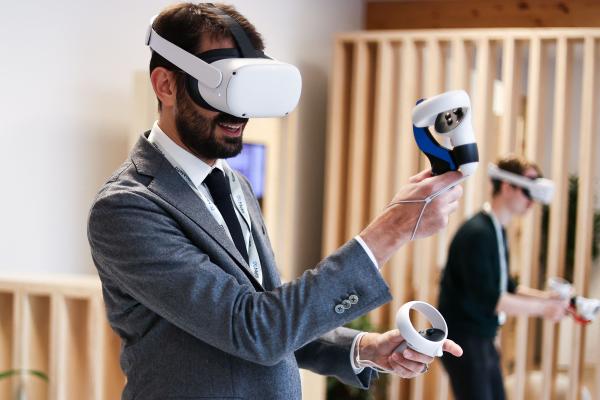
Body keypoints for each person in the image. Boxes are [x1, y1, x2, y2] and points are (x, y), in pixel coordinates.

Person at [87, 3, 463, 399]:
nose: (239, 112)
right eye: (223, 87)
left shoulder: (234, 185)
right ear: (165, 85)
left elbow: (271, 315)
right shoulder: (128, 208)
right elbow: (251, 328)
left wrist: (361, 348)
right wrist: (395, 226)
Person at [438, 155, 569, 400]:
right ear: (507, 187)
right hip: (464, 340)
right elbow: (493, 299)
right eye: (528, 190)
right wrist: (543, 309)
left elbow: (507, 287)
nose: (532, 201)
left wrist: (546, 298)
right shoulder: (478, 233)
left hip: (482, 338)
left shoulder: (495, 232)